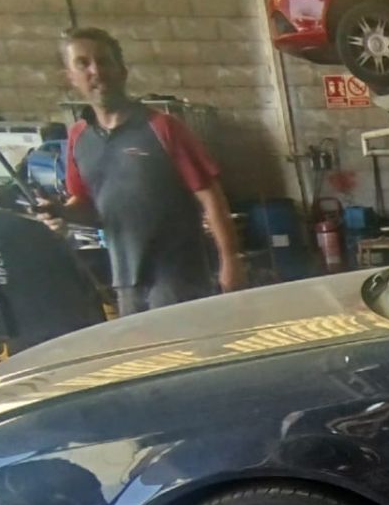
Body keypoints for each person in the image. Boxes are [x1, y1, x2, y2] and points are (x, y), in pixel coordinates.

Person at [50, 27, 245, 313]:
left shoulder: (162, 128)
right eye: (83, 64)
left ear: (122, 71)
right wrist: (61, 212)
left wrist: (230, 259)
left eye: (104, 61)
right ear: (70, 76)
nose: (96, 71)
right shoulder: (79, 139)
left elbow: (210, 195)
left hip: (179, 277)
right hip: (126, 281)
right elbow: (89, 207)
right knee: (140, 343)